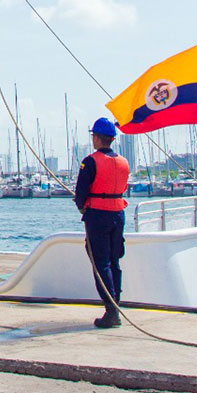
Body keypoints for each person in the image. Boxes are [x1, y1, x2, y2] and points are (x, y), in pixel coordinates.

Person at [75, 117, 130, 329]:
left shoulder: (90, 161)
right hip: (118, 213)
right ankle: (116, 304)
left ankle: (111, 310)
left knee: (101, 262)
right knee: (114, 260)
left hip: (98, 213)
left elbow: (81, 192)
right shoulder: (124, 161)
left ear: (97, 138)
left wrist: (82, 207)